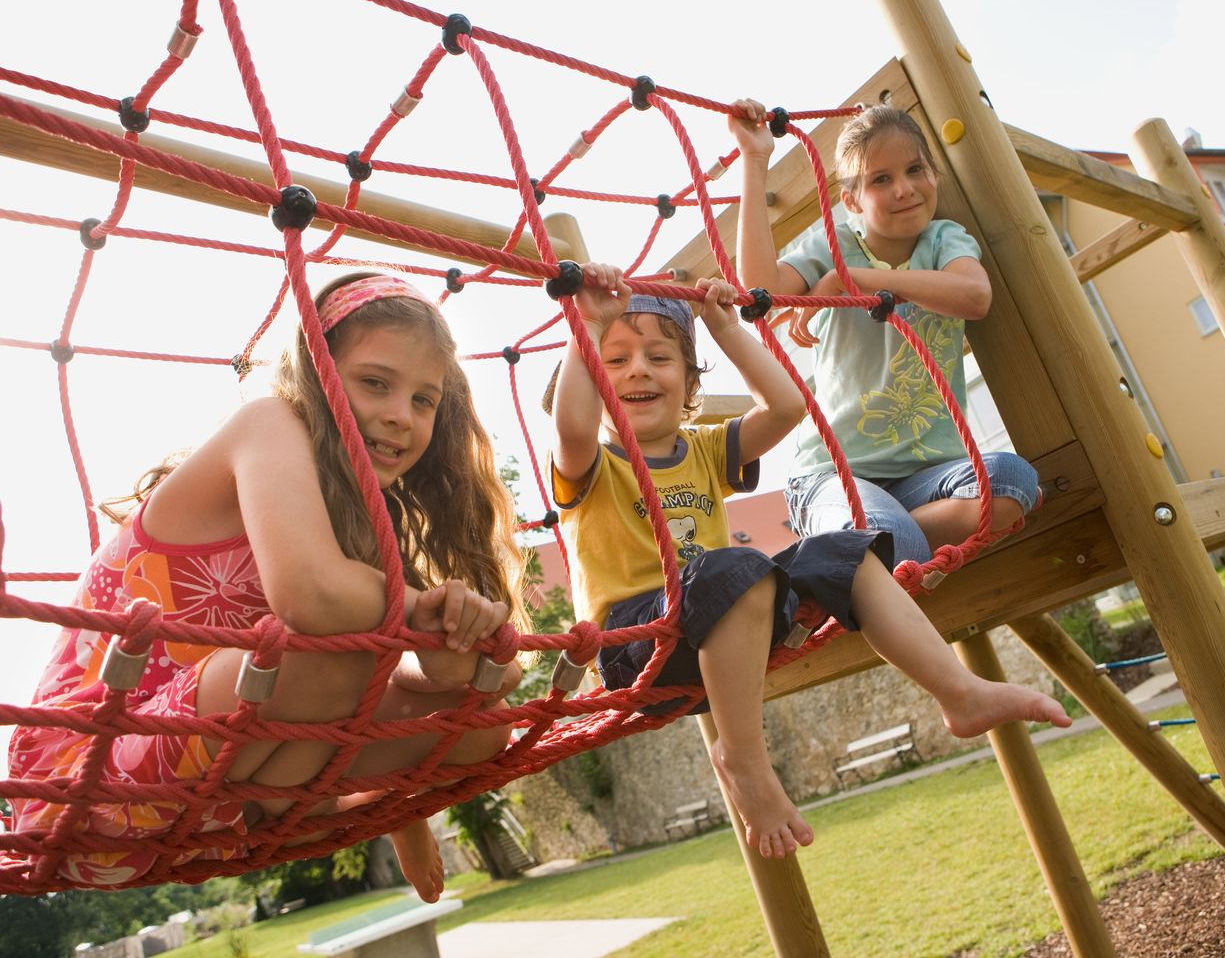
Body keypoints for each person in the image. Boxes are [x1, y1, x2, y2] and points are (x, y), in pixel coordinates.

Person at [7, 272, 526, 898]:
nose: (400, 415)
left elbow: (469, 676)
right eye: (373, 383)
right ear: (316, 373)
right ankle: (320, 808)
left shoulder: (365, 523)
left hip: (218, 809)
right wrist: (426, 614)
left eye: (424, 400)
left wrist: (457, 654)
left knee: (484, 724)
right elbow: (312, 597)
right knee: (341, 643)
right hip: (84, 787)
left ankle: (354, 808)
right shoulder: (267, 424)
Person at [547, 265, 1069, 859]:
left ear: (689, 382)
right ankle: (743, 758)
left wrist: (726, 329)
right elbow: (572, 423)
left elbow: (789, 405)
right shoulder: (588, 460)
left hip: (724, 620)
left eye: (659, 357)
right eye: (614, 361)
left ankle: (958, 692)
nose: (638, 368)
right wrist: (586, 326)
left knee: (842, 549)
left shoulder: (708, 448)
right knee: (736, 568)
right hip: (635, 644)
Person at [730, 100, 1041, 568]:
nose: (905, 189)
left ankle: (857, 548)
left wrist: (857, 281)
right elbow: (757, 290)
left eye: (915, 169)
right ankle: (859, 543)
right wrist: (755, 162)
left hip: (929, 476)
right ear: (852, 199)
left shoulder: (943, 240)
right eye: (881, 179)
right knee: (895, 540)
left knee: (1014, 483)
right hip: (835, 473)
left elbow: (974, 296)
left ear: (934, 174)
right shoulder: (835, 242)